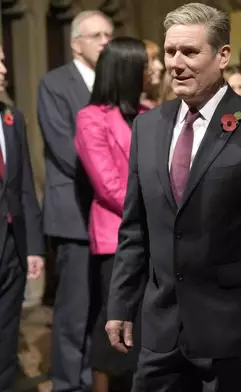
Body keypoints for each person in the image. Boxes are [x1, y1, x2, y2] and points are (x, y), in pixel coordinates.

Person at [105, 3, 241, 391]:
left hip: (230, 334)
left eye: (190, 52)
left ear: (222, 55)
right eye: (170, 51)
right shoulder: (148, 127)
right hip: (160, 332)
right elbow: (135, 228)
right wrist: (121, 306)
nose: (177, 62)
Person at [37, 10, 113, 392]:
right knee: (72, 311)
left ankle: (95, 378)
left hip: (108, 214)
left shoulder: (110, 83)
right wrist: (112, 178)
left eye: (108, 35)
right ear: (75, 43)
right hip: (75, 213)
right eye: (96, 36)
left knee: (102, 309)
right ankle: (68, 384)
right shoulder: (54, 83)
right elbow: (64, 149)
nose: (104, 42)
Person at [74, 36, 150, 392]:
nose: (155, 70)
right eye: (146, 64)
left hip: (156, 237)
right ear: (127, 69)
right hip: (115, 237)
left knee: (150, 326)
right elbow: (107, 186)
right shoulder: (92, 118)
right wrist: (159, 210)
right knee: (114, 324)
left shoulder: (151, 113)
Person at [0, 44, 45, 391]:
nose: (4, 70)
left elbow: (25, 188)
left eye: (3, 61)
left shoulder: (12, 120)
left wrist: (33, 248)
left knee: (7, 330)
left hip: (11, 250)